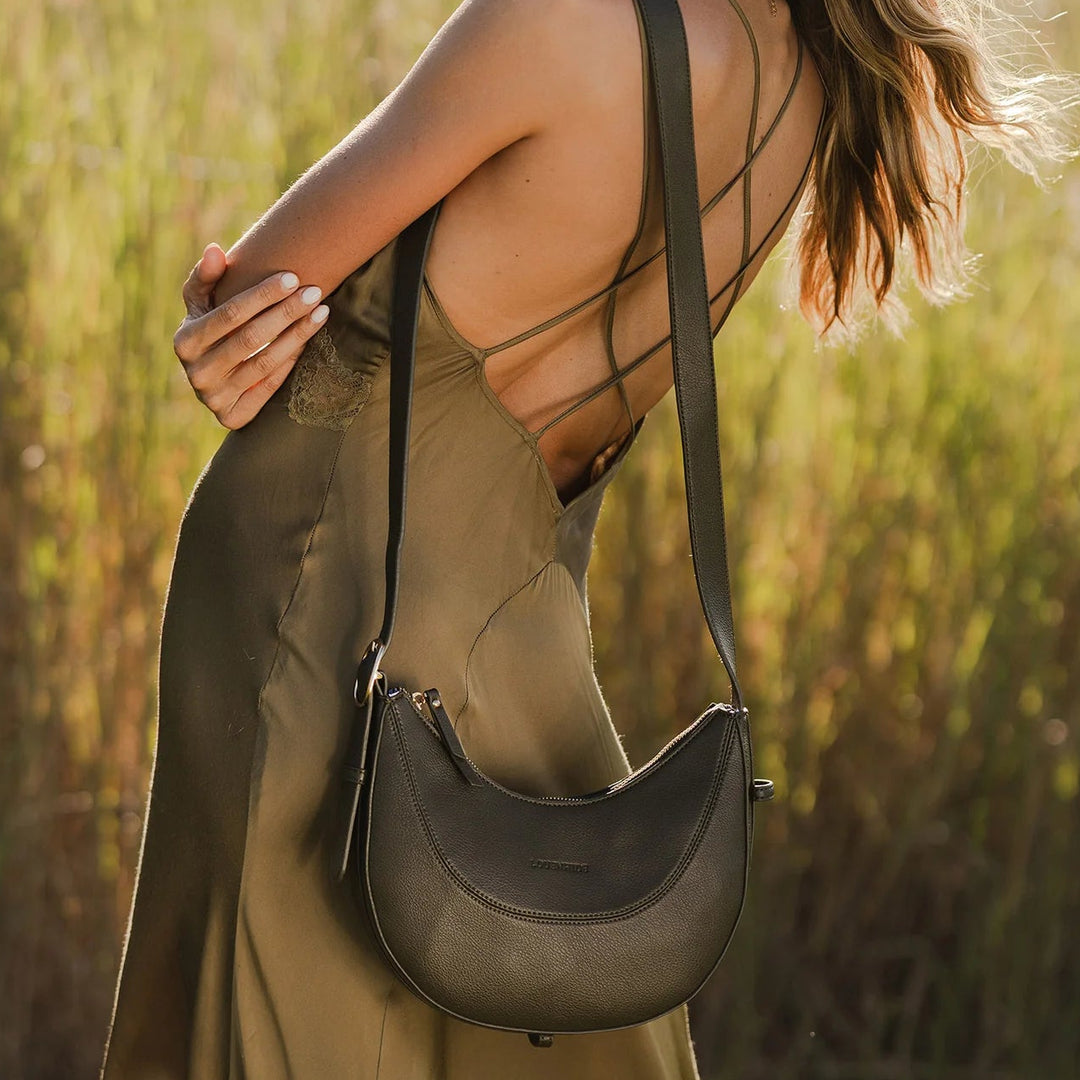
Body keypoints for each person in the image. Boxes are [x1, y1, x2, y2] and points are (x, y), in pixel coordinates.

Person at [100, 0, 1075, 1077]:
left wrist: (218, 306)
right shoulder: (812, 74)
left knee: (274, 1013)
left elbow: (255, 292)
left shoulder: (553, 22)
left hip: (319, 600)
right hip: (523, 617)